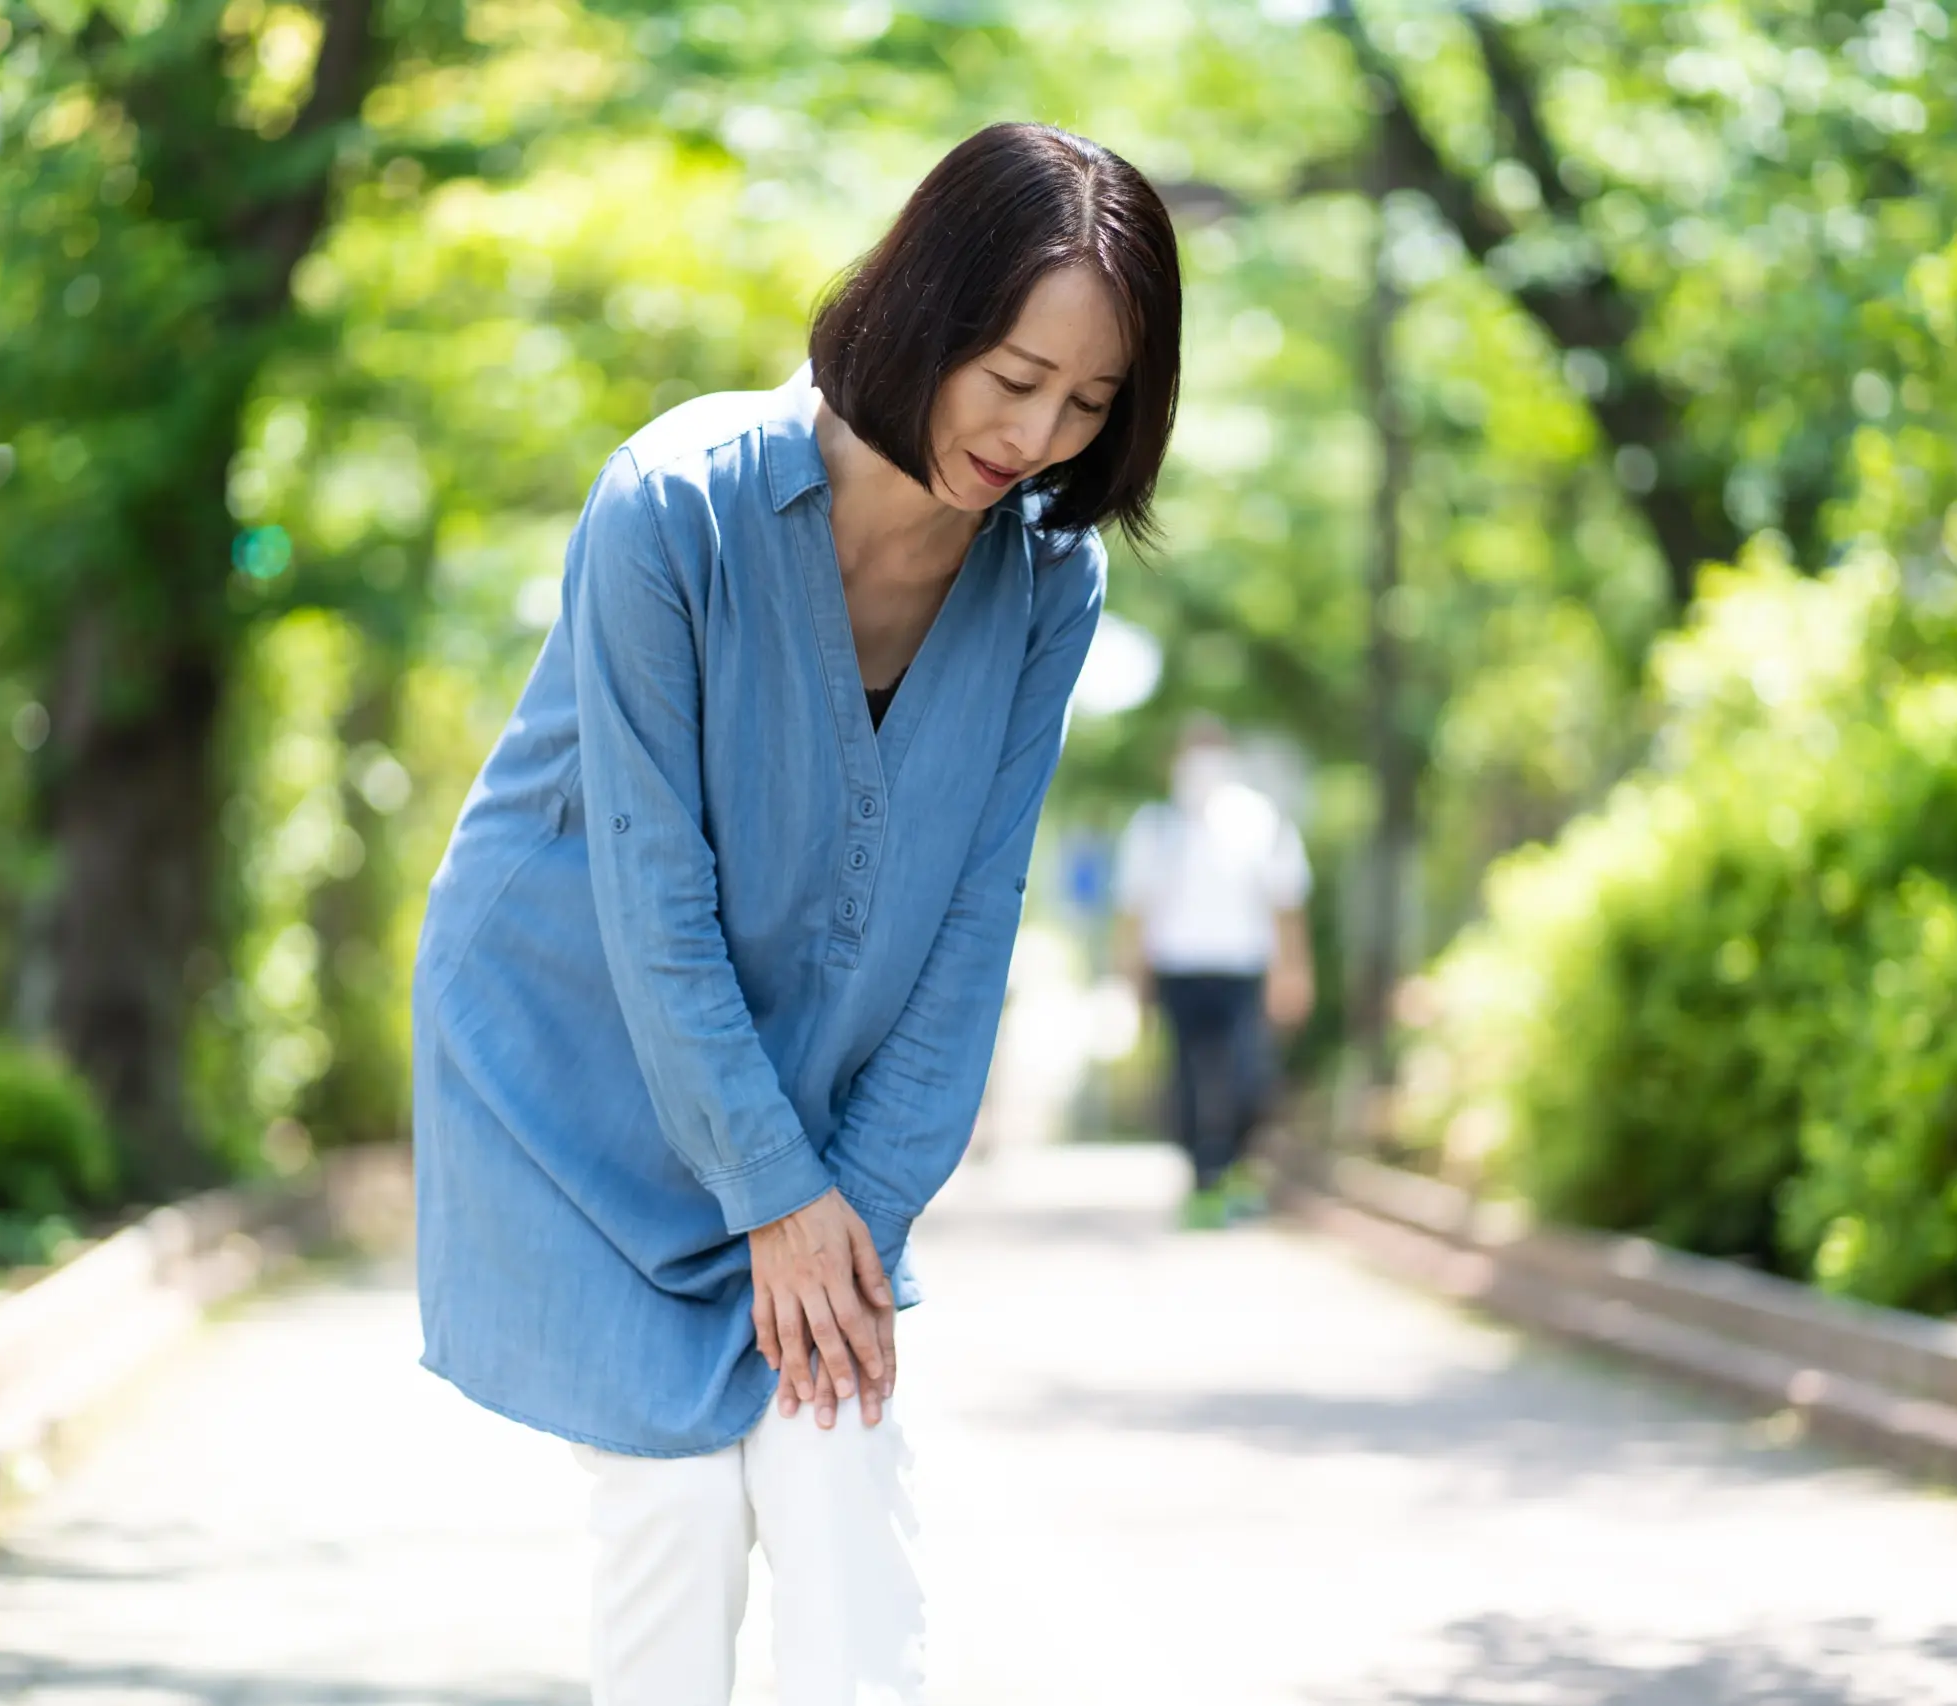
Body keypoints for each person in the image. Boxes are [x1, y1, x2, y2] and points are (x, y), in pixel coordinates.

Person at [411, 123, 1180, 1705]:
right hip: (580, 1062)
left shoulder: (1047, 584)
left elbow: (978, 918)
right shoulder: (672, 507)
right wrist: (768, 1189)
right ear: (927, 313)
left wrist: (857, 1207)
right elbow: (650, 897)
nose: (1036, 435)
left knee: (839, 1477)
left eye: (1090, 404)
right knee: (676, 1508)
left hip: (808, 1108)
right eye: (1014, 375)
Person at [1111, 717, 1314, 1228]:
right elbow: (1134, 911)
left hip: (1242, 971)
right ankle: (1204, 1181)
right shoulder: (1155, 827)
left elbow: (1287, 904)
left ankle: (1233, 1167)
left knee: (1249, 1078)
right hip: (1178, 971)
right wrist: (1131, 980)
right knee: (1186, 1082)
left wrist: (1293, 971)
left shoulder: (1259, 820)